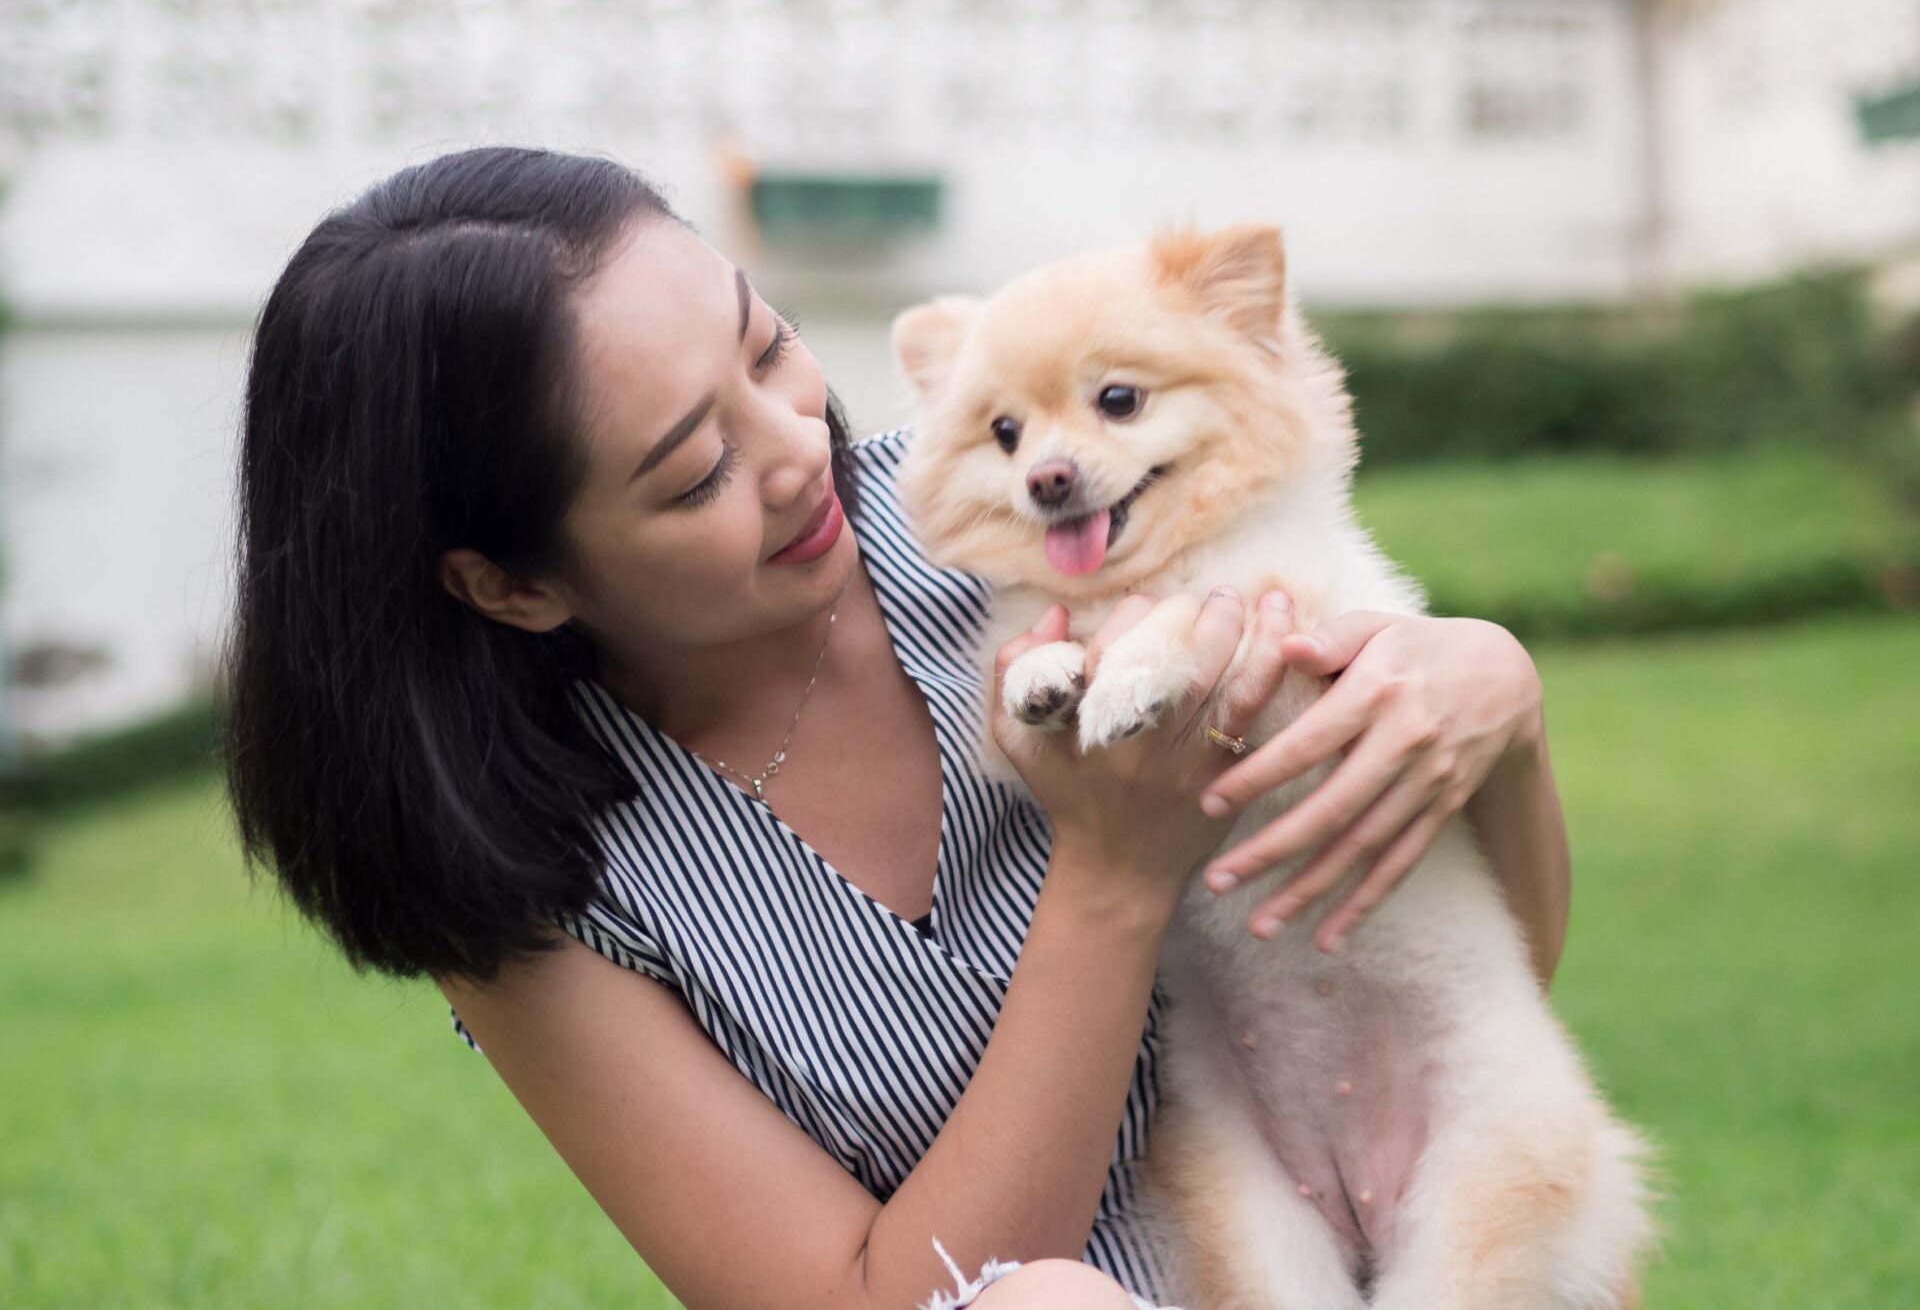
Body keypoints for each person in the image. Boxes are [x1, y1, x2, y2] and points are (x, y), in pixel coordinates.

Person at [223, 146, 1570, 1310]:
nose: (798, 445)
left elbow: (1449, 992)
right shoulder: (531, 891)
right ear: (511, 583)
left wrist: (1499, 714)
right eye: (696, 471)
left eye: (767, 343)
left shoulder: (1031, 529)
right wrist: (1111, 876)